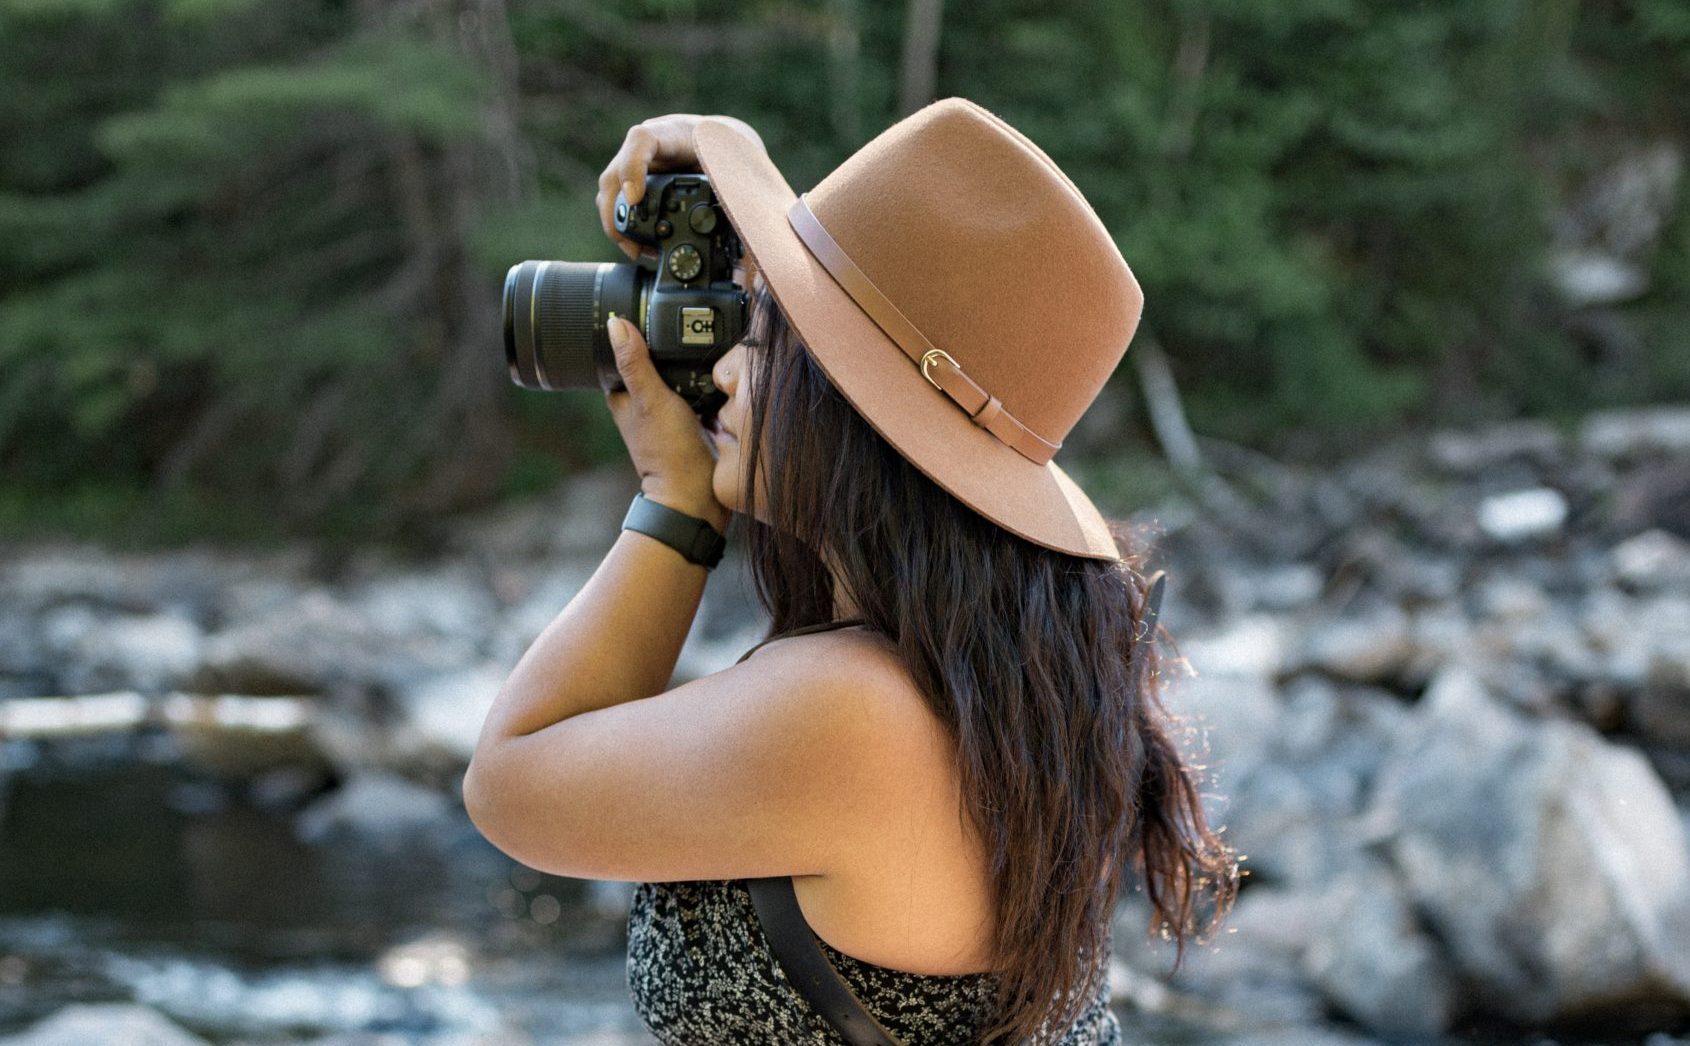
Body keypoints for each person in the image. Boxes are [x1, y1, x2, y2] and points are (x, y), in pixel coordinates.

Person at [464, 99, 1240, 1045]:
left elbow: (508, 782)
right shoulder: (1022, 679)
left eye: (762, 339)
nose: (725, 373)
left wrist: (675, 503)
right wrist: (732, 163)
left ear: (846, 412)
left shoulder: (850, 714)